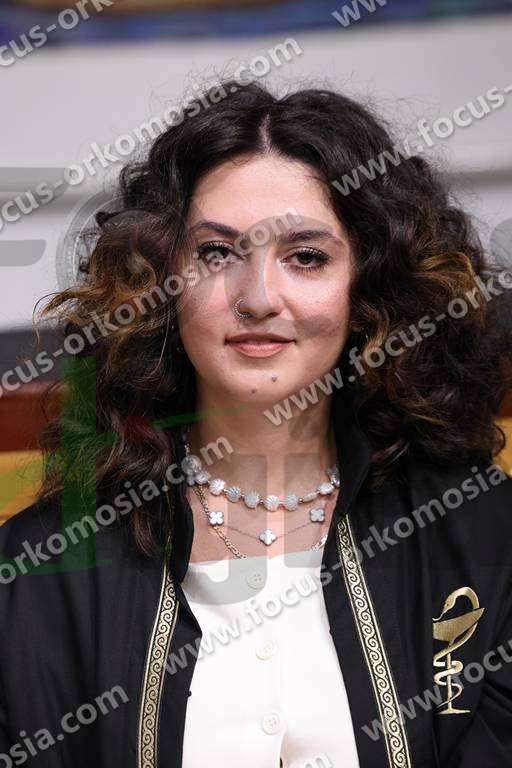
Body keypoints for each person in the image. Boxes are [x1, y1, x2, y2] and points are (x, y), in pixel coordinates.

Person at [1, 79, 512, 768]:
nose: (259, 298)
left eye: (306, 256)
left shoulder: (481, 530)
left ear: (368, 285)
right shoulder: (39, 569)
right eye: (217, 253)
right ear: (162, 283)